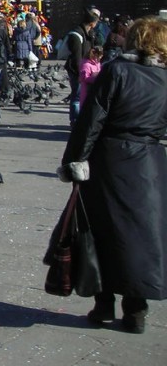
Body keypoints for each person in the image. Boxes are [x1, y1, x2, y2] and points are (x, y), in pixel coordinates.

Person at [60, 16, 167, 334]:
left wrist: (74, 160)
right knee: (143, 235)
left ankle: (103, 304)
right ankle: (136, 310)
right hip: (149, 161)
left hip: (109, 160)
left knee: (101, 231)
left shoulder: (118, 70)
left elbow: (92, 119)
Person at [64, 8, 100, 124]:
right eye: (96, 23)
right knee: (77, 96)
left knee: (83, 96)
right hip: (77, 70)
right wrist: (80, 73)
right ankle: (75, 120)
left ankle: (81, 119)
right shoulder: (76, 35)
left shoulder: (89, 34)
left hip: (86, 69)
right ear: (91, 23)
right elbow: (77, 58)